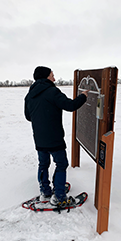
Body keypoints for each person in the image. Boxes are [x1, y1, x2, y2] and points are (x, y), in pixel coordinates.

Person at [24, 66, 88, 208]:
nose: (54, 78)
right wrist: (83, 95)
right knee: (61, 164)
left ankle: (45, 191)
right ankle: (59, 196)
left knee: (43, 164)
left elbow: (29, 117)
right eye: (52, 75)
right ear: (46, 76)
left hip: (39, 138)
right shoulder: (52, 91)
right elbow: (70, 106)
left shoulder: (29, 95)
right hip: (54, 138)